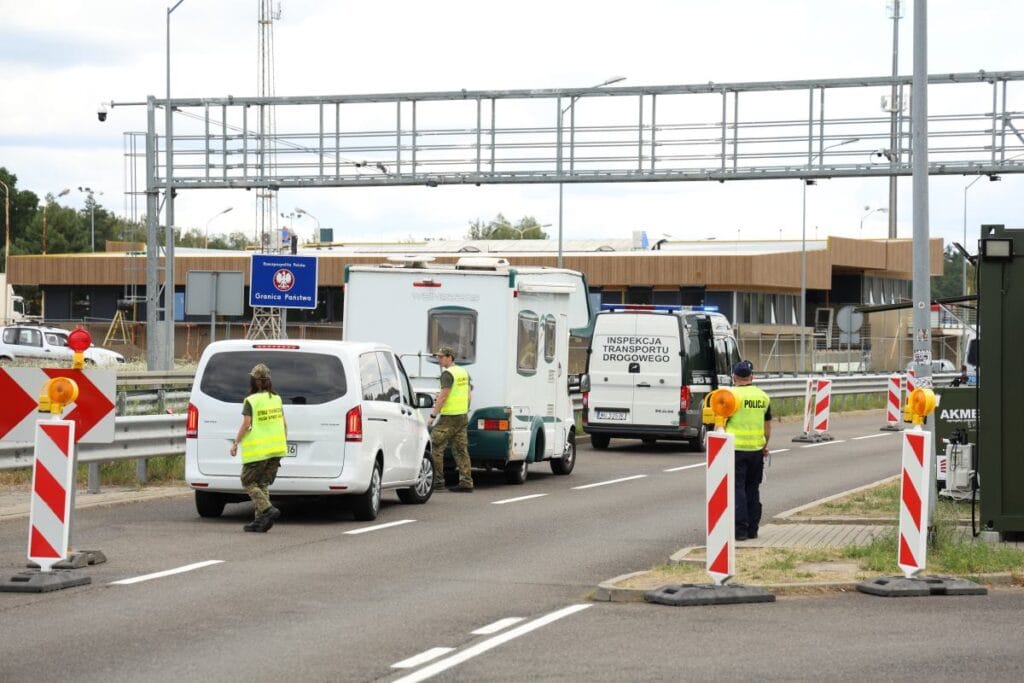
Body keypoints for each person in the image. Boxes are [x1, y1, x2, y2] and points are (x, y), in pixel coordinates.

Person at [229, 363, 288, 532]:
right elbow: (284, 423)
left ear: (254, 381)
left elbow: (246, 424)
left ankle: (268, 510)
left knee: (247, 481)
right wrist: (283, 442)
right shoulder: (276, 398)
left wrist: (235, 443)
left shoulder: (251, 401)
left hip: (258, 451)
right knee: (262, 483)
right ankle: (261, 521)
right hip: (276, 449)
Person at [724, 360, 772, 541]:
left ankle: (740, 530)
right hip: (756, 450)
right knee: (753, 489)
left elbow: (720, 423)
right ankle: (753, 529)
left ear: (734, 377)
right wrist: (764, 446)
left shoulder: (729, 395)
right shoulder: (763, 397)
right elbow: (768, 427)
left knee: (738, 490)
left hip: (735, 449)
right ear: (752, 377)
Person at [429, 346, 474, 492]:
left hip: (449, 417)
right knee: (460, 449)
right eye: (438, 356)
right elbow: (468, 393)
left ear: (450, 357)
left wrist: (432, 416)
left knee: (435, 445)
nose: (439, 359)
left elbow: (443, 396)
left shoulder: (447, 374)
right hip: (462, 416)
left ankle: (438, 482)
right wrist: (466, 408)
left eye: (442, 357)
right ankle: (466, 482)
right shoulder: (463, 372)